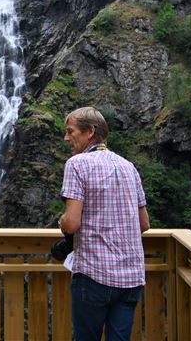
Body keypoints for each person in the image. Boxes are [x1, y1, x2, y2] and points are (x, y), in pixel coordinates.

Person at [58, 107, 150, 341]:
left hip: (94, 275)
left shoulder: (77, 164)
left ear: (90, 132)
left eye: (70, 132)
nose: (66, 138)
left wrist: (62, 220)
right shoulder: (129, 166)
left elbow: (71, 224)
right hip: (130, 277)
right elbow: (144, 224)